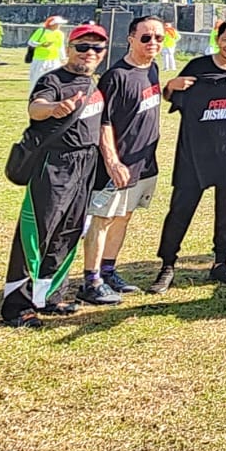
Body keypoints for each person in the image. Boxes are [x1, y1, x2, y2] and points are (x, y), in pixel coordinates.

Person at [1, 23, 108, 327]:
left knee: (69, 232)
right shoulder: (54, 79)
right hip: (55, 164)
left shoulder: (94, 82)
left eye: (96, 48)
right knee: (36, 233)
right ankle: (17, 305)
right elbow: (36, 107)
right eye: (83, 47)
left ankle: (49, 296)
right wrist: (53, 108)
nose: (89, 53)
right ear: (69, 49)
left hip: (85, 164)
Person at [152, 18, 226, 291]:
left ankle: (221, 263)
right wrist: (171, 87)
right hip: (195, 154)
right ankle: (167, 265)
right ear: (217, 38)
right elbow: (172, 96)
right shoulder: (199, 69)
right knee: (180, 211)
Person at [78, 16, 166, 305]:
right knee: (102, 219)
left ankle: (108, 270)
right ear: (130, 38)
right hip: (117, 165)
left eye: (158, 38)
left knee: (124, 216)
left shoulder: (152, 69)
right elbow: (102, 122)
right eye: (145, 38)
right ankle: (91, 281)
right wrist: (113, 161)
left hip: (143, 163)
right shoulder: (116, 76)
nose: (152, 43)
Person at [25, 14, 66, 90]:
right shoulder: (41, 31)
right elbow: (31, 42)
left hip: (54, 59)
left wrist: (63, 58)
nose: (59, 26)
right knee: (37, 78)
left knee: (54, 78)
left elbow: (61, 46)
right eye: (57, 24)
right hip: (40, 59)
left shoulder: (60, 34)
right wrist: (41, 45)